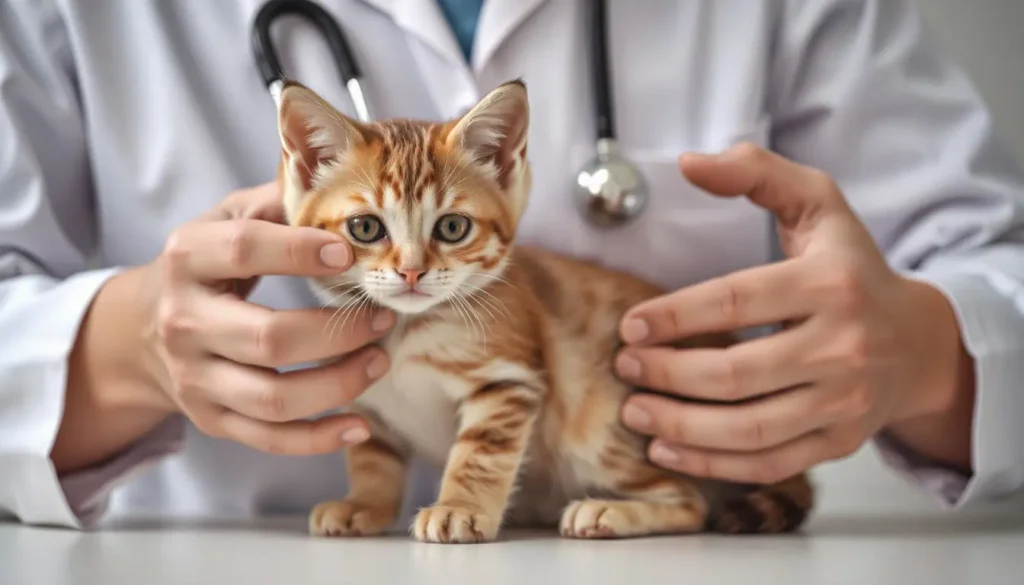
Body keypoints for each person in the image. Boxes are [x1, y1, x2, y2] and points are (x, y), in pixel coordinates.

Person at [1, 0, 1022, 530]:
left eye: (438, 238)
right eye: (373, 238)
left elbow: (994, 259)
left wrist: (935, 352)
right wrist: (115, 350)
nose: (403, 267)